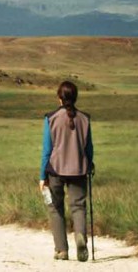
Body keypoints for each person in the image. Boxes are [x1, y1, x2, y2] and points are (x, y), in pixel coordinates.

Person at [39, 81, 94, 262]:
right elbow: (89, 148)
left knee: (56, 208)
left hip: (55, 169)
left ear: (59, 98)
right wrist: (89, 164)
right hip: (79, 169)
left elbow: (47, 150)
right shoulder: (85, 119)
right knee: (78, 207)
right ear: (75, 97)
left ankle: (61, 250)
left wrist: (42, 176)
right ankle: (80, 236)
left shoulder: (51, 118)